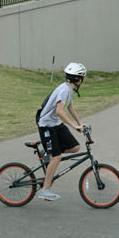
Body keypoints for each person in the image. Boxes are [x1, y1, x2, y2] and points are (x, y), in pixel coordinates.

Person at [37, 62, 86, 201]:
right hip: (47, 125)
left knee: (75, 147)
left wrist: (80, 123)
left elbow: (70, 107)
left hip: (56, 124)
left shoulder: (68, 89)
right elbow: (59, 111)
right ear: (78, 80)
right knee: (57, 157)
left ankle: (48, 152)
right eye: (82, 78)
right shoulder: (65, 90)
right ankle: (45, 189)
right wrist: (73, 126)